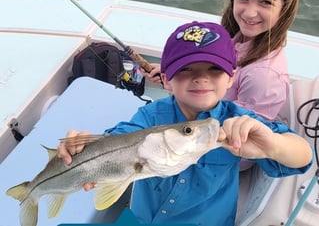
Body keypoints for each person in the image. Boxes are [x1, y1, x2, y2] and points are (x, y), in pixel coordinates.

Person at [58, 21, 312, 226]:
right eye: (186, 69)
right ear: (167, 80)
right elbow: (117, 140)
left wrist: (273, 145)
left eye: (214, 68)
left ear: (231, 77)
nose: (201, 78)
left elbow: (303, 157)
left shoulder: (237, 120)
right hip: (144, 219)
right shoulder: (150, 116)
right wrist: (81, 147)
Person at [141, 0, 302, 121]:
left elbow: (237, 129)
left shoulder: (264, 77)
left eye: (265, 2)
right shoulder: (238, 37)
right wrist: (175, 75)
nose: (249, 12)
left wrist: (182, 89)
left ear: (286, 8)